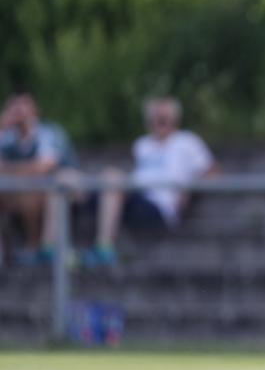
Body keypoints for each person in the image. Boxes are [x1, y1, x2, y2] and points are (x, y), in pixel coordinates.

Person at [80, 97, 216, 266]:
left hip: (159, 207)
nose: (160, 120)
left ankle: (104, 249)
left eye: (164, 117)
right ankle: (52, 249)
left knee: (111, 177)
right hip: (135, 198)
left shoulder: (187, 141)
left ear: (175, 119)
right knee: (69, 180)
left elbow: (211, 172)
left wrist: (188, 189)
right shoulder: (142, 144)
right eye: (156, 117)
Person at [0, 92, 76, 264]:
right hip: (16, 192)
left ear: (35, 109)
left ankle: (37, 247)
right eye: (14, 107)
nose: (19, 112)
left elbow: (43, 167)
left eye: (23, 106)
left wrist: (8, 168)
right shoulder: (6, 136)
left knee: (28, 191)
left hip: (52, 190)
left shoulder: (48, 132)